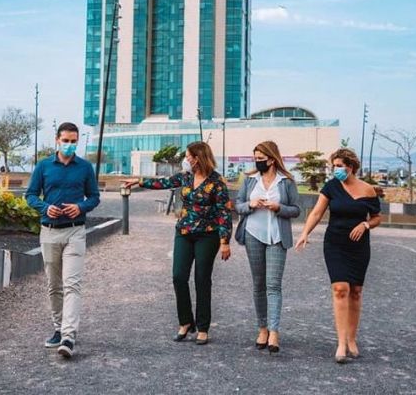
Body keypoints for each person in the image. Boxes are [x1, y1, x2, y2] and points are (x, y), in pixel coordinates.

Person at [123, 141, 232, 345]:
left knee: (202, 280)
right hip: (183, 232)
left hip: (207, 235)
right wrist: (138, 181)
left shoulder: (217, 182)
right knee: (178, 276)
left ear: (198, 158)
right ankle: (185, 322)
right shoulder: (185, 176)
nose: (186, 159)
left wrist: (225, 241)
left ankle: (202, 327)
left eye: (189, 156)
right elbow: (163, 183)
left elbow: (224, 212)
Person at [295, 148, 382, 364]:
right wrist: (305, 233)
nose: (336, 170)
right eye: (334, 166)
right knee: (340, 288)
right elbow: (316, 212)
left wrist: (365, 224)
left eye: (340, 166)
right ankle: (341, 342)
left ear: (350, 167)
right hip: (335, 243)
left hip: (359, 246)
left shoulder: (368, 190)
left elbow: (377, 218)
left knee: (356, 291)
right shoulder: (331, 187)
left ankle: (352, 338)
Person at [25, 122, 100, 359]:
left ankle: (69, 335)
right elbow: (30, 195)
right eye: (66, 140)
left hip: (75, 232)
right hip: (49, 231)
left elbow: (94, 197)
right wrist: (45, 207)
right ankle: (58, 328)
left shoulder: (85, 167)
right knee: (54, 285)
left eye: (73, 141)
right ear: (57, 140)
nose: (69, 145)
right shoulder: (44, 166)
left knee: (72, 284)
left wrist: (81, 207)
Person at [234, 141, 300, 353]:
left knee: (273, 285)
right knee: (259, 283)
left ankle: (274, 332)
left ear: (272, 159)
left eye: (261, 158)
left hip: (277, 237)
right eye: (255, 158)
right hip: (253, 233)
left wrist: (279, 207)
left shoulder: (287, 182)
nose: (257, 162)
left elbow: (296, 210)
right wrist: (250, 205)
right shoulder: (250, 180)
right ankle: (262, 327)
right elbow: (238, 205)